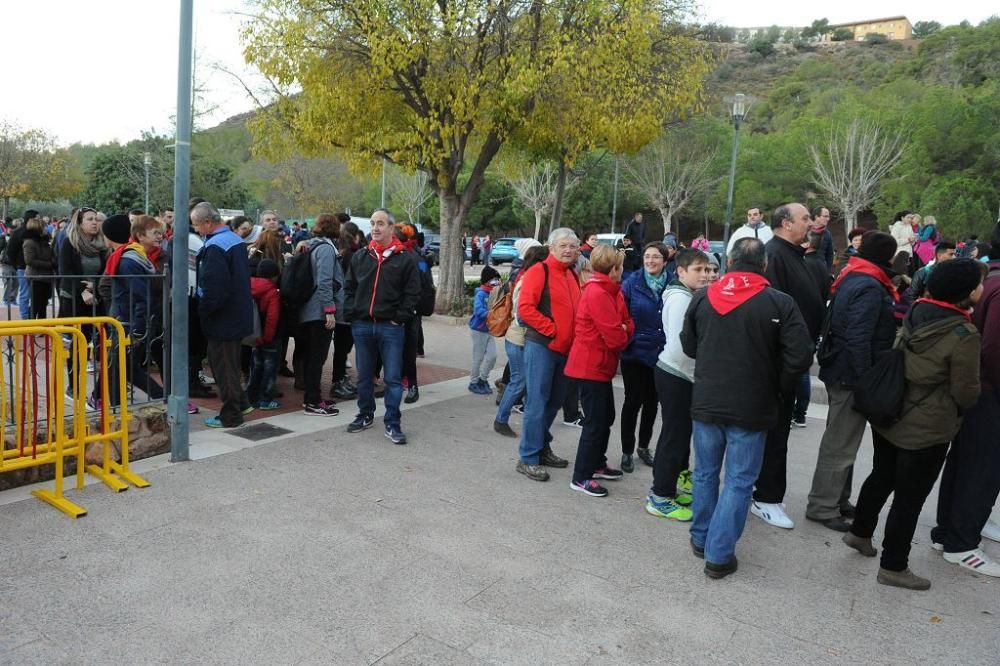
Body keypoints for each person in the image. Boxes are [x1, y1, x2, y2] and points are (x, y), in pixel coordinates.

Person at [844, 259, 983, 590]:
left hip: (891, 414)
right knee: (909, 498)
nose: (982, 288)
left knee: (881, 476)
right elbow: (965, 391)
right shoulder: (964, 334)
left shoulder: (917, 310)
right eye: (978, 283)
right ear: (965, 293)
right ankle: (893, 566)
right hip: (927, 428)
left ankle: (860, 532)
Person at [682, 238, 813, 578]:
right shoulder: (779, 302)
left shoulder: (702, 297)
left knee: (706, 473)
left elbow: (689, 345)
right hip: (753, 406)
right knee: (740, 482)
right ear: (765, 265)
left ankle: (701, 539)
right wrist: (777, 385)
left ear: (729, 260)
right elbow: (800, 355)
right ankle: (719, 555)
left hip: (707, 400)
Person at [805, 232, 899, 531]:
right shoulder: (870, 286)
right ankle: (823, 506)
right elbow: (859, 338)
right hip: (850, 376)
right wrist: (865, 380)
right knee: (840, 445)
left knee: (843, 441)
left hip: (841, 370)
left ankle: (838, 500)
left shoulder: (853, 275)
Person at [751, 203, 826, 530]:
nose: (811, 222)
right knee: (774, 430)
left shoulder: (795, 253)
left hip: (793, 359)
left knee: (778, 431)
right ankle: (765, 497)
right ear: (785, 223)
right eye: (806, 218)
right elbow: (773, 312)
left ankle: (766, 493)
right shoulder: (775, 255)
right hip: (778, 361)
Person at [931, 232, 1000, 577]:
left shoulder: (988, 280)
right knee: (982, 470)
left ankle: (946, 535)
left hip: (979, 390)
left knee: (964, 463)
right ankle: (962, 543)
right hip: (989, 393)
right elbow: (992, 350)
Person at [344, 208, 421, 445]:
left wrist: (399, 318)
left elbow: (413, 293)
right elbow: (349, 288)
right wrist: (353, 314)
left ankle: (392, 422)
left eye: (380, 223)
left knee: (394, 379)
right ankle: (365, 414)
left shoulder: (405, 258)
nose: (375, 228)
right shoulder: (360, 256)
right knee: (365, 376)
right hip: (363, 325)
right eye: (372, 223)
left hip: (391, 327)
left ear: (391, 227)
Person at [646, 249, 711, 521]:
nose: (705, 275)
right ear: (681, 272)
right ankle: (660, 497)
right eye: (698, 270)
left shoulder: (687, 295)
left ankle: (670, 489)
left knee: (680, 437)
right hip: (676, 375)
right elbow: (681, 346)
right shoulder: (681, 299)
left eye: (707, 270)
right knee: (673, 438)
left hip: (681, 375)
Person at [514, 228, 582, 481]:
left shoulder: (571, 274)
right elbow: (526, 310)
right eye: (563, 246)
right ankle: (528, 457)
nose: (568, 250)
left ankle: (541, 447)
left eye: (573, 246)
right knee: (537, 402)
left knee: (554, 402)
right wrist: (553, 331)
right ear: (551, 248)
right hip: (542, 346)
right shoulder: (538, 271)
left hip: (565, 349)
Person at [566, 245, 633, 497]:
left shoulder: (610, 291)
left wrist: (624, 329)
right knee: (595, 423)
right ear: (615, 269)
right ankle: (581, 476)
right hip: (590, 366)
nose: (623, 269)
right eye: (621, 265)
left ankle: (596, 463)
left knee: (605, 418)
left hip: (600, 365)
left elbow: (626, 323)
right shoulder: (598, 293)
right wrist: (623, 330)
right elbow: (617, 335)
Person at [192, 202, 255, 428]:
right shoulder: (234, 240)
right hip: (236, 313)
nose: (197, 229)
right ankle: (242, 403)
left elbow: (214, 286)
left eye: (197, 224)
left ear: (208, 222)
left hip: (223, 318)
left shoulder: (216, 246)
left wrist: (204, 310)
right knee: (229, 364)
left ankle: (231, 415)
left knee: (224, 368)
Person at [101, 214, 164, 404]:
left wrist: (137, 328)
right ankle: (112, 404)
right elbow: (138, 296)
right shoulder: (133, 259)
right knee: (121, 366)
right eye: (155, 233)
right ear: (140, 235)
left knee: (121, 365)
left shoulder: (133, 259)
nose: (160, 236)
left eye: (160, 232)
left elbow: (140, 297)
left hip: (128, 322)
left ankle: (114, 406)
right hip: (126, 320)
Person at [619, 242, 671, 472]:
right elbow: (620, 315)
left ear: (665, 261)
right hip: (634, 353)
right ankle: (627, 451)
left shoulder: (673, 285)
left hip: (661, 355)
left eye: (656, 257)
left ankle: (643, 446)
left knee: (652, 404)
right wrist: (628, 340)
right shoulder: (631, 283)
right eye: (648, 256)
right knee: (632, 403)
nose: (651, 261)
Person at [494, 245, 548, 438]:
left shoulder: (526, 276)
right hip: (518, 336)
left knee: (522, 380)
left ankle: (507, 417)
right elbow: (523, 314)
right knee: (519, 380)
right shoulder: (529, 279)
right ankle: (501, 420)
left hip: (520, 336)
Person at [296, 214, 344, 416]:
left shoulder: (312, 245)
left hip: (309, 309)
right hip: (318, 311)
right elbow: (325, 281)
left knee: (312, 356)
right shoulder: (325, 249)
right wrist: (329, 311)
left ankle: (312, 398)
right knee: (317, 357)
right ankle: (313, 402)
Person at [246, 259, 282, 410]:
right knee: (269, 369)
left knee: (255, 367)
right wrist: (267, 337)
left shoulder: (247, 285)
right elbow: (272, 318)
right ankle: (265, 399)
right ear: (274, 276)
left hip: (253, 335)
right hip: (268, 338)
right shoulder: (272, 292)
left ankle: (251, 397)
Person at [330, 217, 360, 400]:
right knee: (343, 347)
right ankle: (338, 381)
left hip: (343, 306)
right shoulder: (351, 256)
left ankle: (340, 379)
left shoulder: (341, 254)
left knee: (342, 347)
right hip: (347, 307)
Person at [468, 266, 501, 394]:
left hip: (488, 330)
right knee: (478, 357)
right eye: (494, 280)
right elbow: (478, 311)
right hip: (478, 330)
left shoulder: (493, 293)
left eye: (497, 280)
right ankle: (474, 381)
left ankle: (483, 379)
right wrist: (492, 314)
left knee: (492, 356)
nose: (496, 282)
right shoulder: (481, 294)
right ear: (487, 280)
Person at [22, 216, 56, 319]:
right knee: (35, 304)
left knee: (43, 304)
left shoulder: (44, 241)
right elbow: (29, 260)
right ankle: (31, 327)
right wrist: (50, 264)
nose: (47, 229)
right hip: (35, 277)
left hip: (46, 277)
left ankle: (42, 328)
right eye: (44, 227)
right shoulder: (29, 242)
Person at [9, 210, 35, 319]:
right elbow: (10, 251)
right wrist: (17, 265)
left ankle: (27, 317)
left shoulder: (35, 232)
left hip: (24, 266)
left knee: (27, 294)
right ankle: (26, 317)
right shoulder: (20, 233)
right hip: (24, 266)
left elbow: (10, 251)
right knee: (26, 294)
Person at [810, 207, 835, 271]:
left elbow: (830, 254)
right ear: (816, 217)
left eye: (828, 217)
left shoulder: (827, 234)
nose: (828, 219)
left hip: (821, 270)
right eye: (825, 216)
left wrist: (828, 271)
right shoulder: (805, 230)